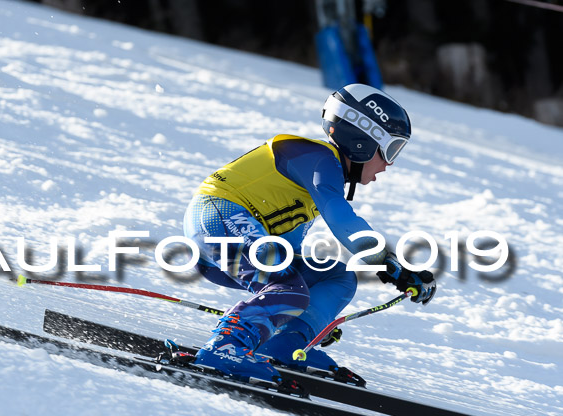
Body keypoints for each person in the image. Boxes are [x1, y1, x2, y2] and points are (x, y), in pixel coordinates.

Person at [182, 83, 437, 384]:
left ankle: (288, 345)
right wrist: (387, 262)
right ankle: (226, 347)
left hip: (233, 230)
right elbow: (341, 219)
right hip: (219, 217)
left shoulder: (317, 177)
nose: (389, 164)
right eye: (390, 150)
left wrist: (308, 319)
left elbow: (285, 248)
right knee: (288, 288)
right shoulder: (319, 159)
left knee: (336, 276)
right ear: (363, 142)